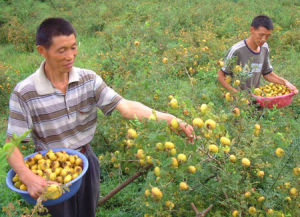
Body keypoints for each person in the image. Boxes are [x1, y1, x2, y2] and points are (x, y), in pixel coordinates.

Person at [5, 18, 194, 217]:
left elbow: (127, 108)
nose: (70, 56)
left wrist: (171, 119)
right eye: (62, 50)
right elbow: (11, 145)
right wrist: (28, 177)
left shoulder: (88, 80)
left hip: (85, 162)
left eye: (73, 47)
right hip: (48, 172)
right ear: (42, 51)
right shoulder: (25, 92)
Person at [217, 15, 298, 95]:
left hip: (256, 99)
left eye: (267, 36)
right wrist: (237, 95)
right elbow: (220, 75)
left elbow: (268, 74)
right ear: (252, 30)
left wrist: (285, 83)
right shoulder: (237, 50)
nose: (264, 39)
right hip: (237, 104)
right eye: (261, 35)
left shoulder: (264, 47)